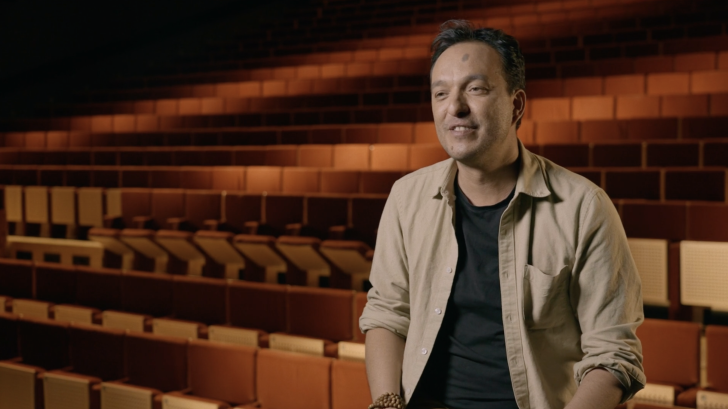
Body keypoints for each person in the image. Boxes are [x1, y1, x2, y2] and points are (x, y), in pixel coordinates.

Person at [359, 20, 645, 409]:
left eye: (475, 89)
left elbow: (613, 354)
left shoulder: (584, 207)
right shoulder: (406, 197)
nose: (455, 107)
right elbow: (386, 314)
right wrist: (387, 402)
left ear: (516, 105)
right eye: (441, 93)